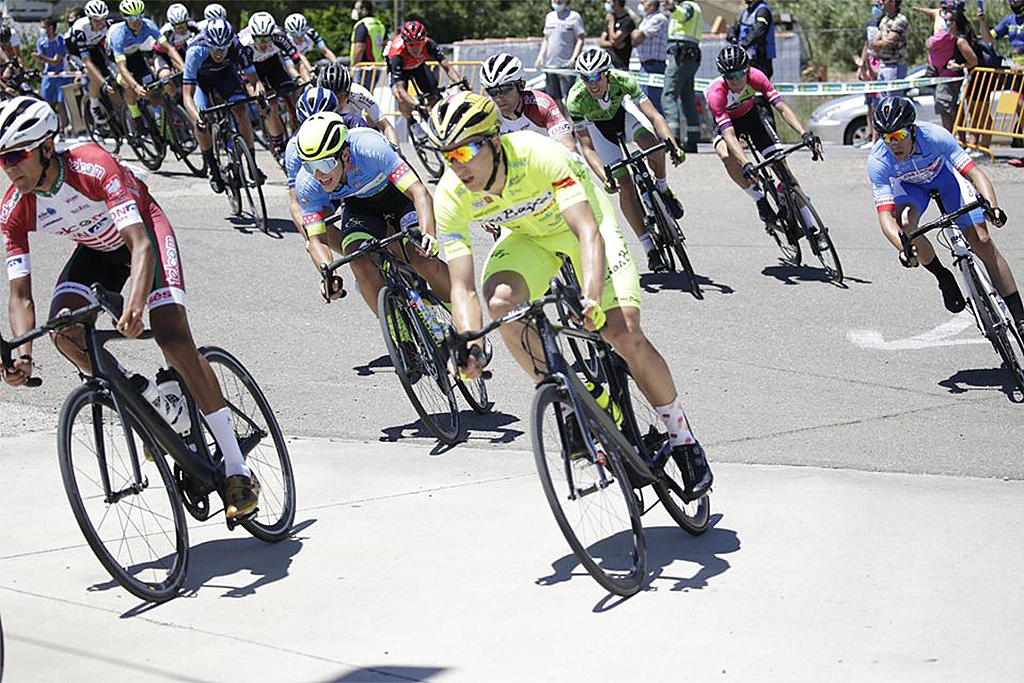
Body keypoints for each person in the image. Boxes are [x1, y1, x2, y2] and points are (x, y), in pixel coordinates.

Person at [428, 92, 713, 500]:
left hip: (584, 227)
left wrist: (591, 298)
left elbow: (587, 232)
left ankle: (682, 437)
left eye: (465, 151)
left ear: (493, 141)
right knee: (500, 303)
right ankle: (571, 403)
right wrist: (469, 343)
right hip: (529, 239)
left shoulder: (536, 155)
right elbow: (462, 286)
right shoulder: (451, 195)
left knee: (622, 334)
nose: (457, 165)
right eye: (447, 156)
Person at [0, 96, 261, 518]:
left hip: (145, 234)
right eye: (2, 159)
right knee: (63, 332)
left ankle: (236, 468)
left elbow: (140, 245)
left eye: (16, 156)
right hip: (97, 251)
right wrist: (23, 356)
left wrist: (135, 306)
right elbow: (20, 295)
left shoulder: (92, 166)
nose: (9, 168)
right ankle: (144, 399)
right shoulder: (15, 208)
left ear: (46, 148)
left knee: (172, 338)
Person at [867, 95, 1024, 339]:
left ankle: (1020, 317)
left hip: (946, 179)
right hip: (911, 188)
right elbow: (886, 217)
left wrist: (992, 207)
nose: (893, 143)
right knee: (906, 224)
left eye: (899, 135)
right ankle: (942, 275)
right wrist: (903, 247)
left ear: (912, 130)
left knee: (982, 241)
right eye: (886, 137)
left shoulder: (935, 136)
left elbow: (975, 174)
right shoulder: (878, 160)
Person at [294, 112, 452, 354]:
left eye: (324, 164)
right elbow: (315, 239)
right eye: (310, 165)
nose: (319, 175)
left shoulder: (370, 148)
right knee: (358, 262)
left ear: (345, 154)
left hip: (399, 196)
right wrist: (328, 274)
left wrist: (428, 234)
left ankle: (461, 314)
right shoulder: (308, 183)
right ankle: (401, 335)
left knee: (421, 258)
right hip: (360, 207)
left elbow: (419, 193)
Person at [567, 47, 684, 274]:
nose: (592, 84)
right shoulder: (576, 100)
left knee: (654, 147)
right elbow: (587, 147)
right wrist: (605, 177)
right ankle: (649, 247)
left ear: (607, 74)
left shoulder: (624, 81)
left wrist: (673, 145)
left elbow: (654, 116)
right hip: (601, 132)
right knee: (625, 187)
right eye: (586, 78)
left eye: (596, 77)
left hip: (626, 117)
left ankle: (662, 188)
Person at [706, 46, 824, 245]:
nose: (734, 80)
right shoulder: (716, 94)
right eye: (729, 76)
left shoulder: (756, 77)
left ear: (747, 69)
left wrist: (804, 134)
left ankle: (813, 229)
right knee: (726, 155)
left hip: (752, 118)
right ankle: (759, 198)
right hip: (728, 125)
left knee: (784, 170)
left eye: (739, 74)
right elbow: (729, 134)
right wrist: (745, 163)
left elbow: (781, 107)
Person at [181, 18, 260, 194]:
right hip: (201, 82)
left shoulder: (236, 46)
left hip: (226, 76)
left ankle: (252, 164)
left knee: (241, 110)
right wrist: (197, 118)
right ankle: (213, 169)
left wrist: (259, 96)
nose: (219, 53)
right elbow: (187, 96)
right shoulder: (195, 51)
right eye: (214, 48)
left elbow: (254, 80)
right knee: (201, 123)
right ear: (207, 43)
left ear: (229, 43)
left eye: (223, 48)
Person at [107, 0, 185, 130]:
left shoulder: (148, 25)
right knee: (129, 86)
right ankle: (136, 117)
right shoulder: (119, 35)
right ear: (125, 18)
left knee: (152, 89)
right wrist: (136, 86)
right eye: (132, 18)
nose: (137, 21)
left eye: (140, 16)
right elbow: (122, 68)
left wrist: (183, 67)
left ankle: (159, 120)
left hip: (135, 55)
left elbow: (169, 48)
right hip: (115, 61)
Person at [480, 52, 576, 153]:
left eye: (505, 89)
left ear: (521, 85)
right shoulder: (487, 113)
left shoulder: (541, 105)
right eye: (492, 91)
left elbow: (570, 148)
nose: (498, 97)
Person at [238, 12, 303, 158]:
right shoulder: (244, 46)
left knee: (294, 89)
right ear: (253, 36)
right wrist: (259, 98)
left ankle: (298, 120)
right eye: (259, 38)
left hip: (273, 63)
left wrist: (306, 79)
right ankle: (279, 145)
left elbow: (298, 62)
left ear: (272, 35)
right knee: (269, 102)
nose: (263, 43)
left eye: (266, 38)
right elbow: (249, 83)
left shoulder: (280, 37)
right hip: (253, 69)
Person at [385, 20, 463, 140]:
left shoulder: (430, 44)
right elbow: (401, 89)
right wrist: (415, 105)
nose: (415, 48)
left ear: (424, 41)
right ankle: (412, 122)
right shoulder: (397, 55)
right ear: (405, 43)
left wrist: (460, 83)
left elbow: (447, 68)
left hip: (418, 66)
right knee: (400, 97)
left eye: (418, 44)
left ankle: (440, 123)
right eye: (411, 45)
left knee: (434, 94)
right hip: (400, 70)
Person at [917, 0, 978, 133]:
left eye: (946, 18)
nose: (943, 20)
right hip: (945, 77)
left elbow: (973, 61)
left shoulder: (955, 38)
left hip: (948, 78)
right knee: (954, 112)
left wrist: (958, 66)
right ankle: (957, 140)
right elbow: (933, 13)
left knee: (947, 113)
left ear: (954, 21)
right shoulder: (953, 34)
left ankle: (950, 140)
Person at [318, 62, 399, 146]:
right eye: (331, 97)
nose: (336, 102)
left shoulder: (359, 94)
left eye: (340, 97)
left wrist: (396, 150)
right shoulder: (315, 97)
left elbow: (386, 127)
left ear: (348, 92)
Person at [663, 0, 703, 152]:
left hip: (680, 56)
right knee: (688, 98)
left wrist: (672, 7)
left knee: (668, 96)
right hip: (690, 57)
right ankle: (692, 140)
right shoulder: (696, 7)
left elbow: (683, 15)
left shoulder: (687, 6)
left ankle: (673, 138)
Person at [534, 0, 585, 115]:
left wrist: (574, 58)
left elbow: (580, 39)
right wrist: (540, 56)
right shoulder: (549, 17)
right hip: (550, 66)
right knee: (554, 98)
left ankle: (573, 123)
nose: (557, 1)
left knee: (569, 99)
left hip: (566, 67)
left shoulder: (574, 17)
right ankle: (563, 120)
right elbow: (546, 39)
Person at [72, 1, 117, 125]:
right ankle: (94, 106)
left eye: (103, 19)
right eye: (97, 20)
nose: (101, 24)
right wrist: (103, 83)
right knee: (95, 76)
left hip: (93, 47)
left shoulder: (109, 25)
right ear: (89, 19)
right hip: (75, 51)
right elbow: (87, 62)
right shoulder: (80, 29)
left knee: (110, 74)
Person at [33, 18, 71, 132]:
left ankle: (63, 128)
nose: (41, 30)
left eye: (43, 27)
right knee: (45, 102)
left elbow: (56, 61)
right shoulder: (41, 41)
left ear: (50, 28)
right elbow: (41, 60)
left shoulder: (60, 40)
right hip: (48, 75)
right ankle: (46, 127)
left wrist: (41, 57)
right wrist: (38, 58)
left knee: (61, 102)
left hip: (62, 75)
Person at [631, 0, 669, 114]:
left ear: (651, 5)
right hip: (645, 66)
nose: (641, 3)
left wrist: (635, 33)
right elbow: (635, 40)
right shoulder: (646, 20)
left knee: (654, 103)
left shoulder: (658, 19)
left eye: (643, 2)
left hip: (654, 66)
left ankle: (660, 126)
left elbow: (637, 37)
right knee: (643, 102)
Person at [870, 0, 910, 96]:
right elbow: (874, 42)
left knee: (893, 100)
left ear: (893, 2)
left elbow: (889, 43)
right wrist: (878, 43)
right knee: (883, 101)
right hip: (883, 65)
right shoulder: (884, 20)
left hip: (895, 66)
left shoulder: (900, 20)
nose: (881, 2)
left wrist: (878, 43)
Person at [729, 0, 776, 78]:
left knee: (758, 83)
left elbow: (758, 32)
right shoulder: (746, 12)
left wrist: (743, 45)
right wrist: (732, 38)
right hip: (746, 59)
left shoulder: (763, 11)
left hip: (759, 59)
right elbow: (734, 28)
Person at [156, 3, 200, 84]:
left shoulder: (193, 26)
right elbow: (171, 54)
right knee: (165, 76)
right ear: (172, 25)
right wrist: (183, 69)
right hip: (164, 54)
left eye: (183, 25)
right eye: (178, 27)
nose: (181, 29)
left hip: (180, 50)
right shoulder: (166, 32)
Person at [598, 0, 635, 70]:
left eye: (609, 2)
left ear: (616, 2)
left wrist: (611, 22)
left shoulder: (627, 21)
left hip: (620, 65)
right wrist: (613, 44)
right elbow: (601, 43)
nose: (607, 5)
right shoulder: (612, 18)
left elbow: (614, 39)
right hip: (608, 63)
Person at [349, 0, 386, 66]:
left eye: (356, 9)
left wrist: (353, 66)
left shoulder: (362, 25)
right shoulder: (379, 25)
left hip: (364, 66)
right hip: (379, 65)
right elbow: (384, 45)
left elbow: (359, 48)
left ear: (364, 10)